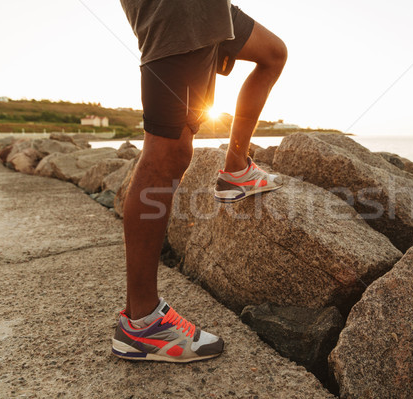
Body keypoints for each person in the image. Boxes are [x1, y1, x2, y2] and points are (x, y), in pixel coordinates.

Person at [111, 0, 287, 362]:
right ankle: (141, 324)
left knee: (273, 53)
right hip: (176, 12)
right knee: (169, 150)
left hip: (211, 10)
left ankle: (236, 168)